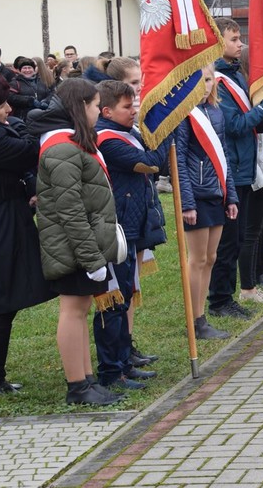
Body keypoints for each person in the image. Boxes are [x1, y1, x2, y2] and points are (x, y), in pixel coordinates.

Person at [29, 78, 125, 405]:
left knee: (81, 308)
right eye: (97, 106)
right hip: (72, 246)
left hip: (83, 244)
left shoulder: (73, 143)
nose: (100, 111)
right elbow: (70, 211)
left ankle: (87, 379)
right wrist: (92, 259)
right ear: (80, 107)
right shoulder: (61, 148)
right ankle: (77, 386)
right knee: (72, 309)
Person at [93, 80, 169, 389]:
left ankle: (124, 362)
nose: (134, 110)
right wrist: (166, 132)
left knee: (124, 298)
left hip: (132, 223)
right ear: (107, 110)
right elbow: (150, 163)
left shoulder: (127, 132)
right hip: (116, 228)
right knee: (113, 301)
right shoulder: (107, 139)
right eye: (127, 107)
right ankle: (112, 371)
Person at [208, 18, 263, 319]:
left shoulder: (235, 75)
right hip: (232, 167)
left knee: (239, 237)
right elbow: (235, 126)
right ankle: (220, 300)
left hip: (246, 165)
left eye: (240, 38)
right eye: (234, 39)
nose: (240, 44)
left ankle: (236, 292)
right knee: (228, 242)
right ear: (218, 42)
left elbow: (251, 123)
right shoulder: (217, 80)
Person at [0, 74, 55, 395]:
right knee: (1, 302)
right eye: (2, 106)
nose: (9, 109)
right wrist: (25, 125)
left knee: (3, 301)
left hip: (4, 216)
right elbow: (29, 152)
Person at [176, 66, 239, 339]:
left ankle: (201, 315)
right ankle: (195, 319)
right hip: (196, 195)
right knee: (197, 259)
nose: (205, 85)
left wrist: (231, 196)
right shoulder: (183, 116)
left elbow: (223, 157)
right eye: (199, 81)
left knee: (211, 257)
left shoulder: (215, 112)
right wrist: (187, 202)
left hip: (217, 194)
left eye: (209, 80)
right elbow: (178, 161)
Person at [8, 56, 52, 121]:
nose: (27, 70)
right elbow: (10, 97)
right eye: (24, 68)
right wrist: (30, 101)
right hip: (23, 118)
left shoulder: (42, 82)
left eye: (29, 68)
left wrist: (46, 101)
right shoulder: (15, 83)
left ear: (34, 69)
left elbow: (51, 93)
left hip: (42, 116)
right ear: (20, 70)